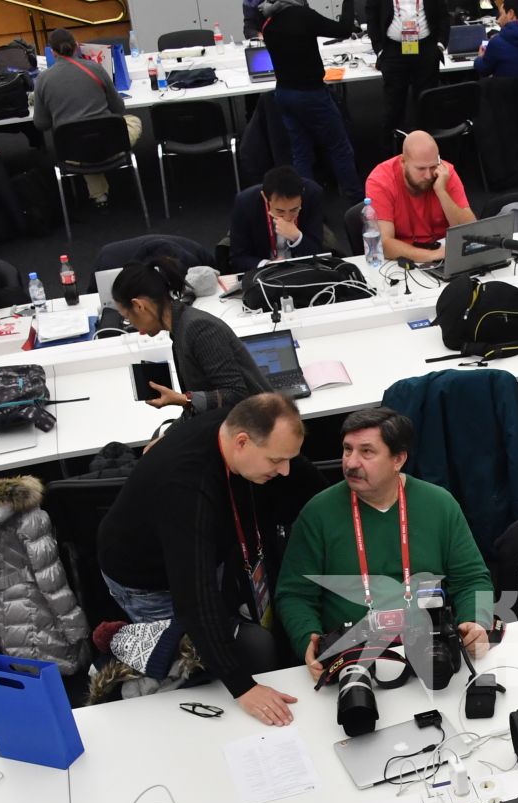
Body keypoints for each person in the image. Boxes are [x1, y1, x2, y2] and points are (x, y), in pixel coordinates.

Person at [96, 393, 305, 725]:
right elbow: (193, 602)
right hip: (149, 581)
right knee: (184, 667)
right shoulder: (187, 490)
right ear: (241, 442)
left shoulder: (235, 423)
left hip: (198, 549)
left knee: (218, 632)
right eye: (276, 460)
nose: (285, 470)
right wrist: (243, 688)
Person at [276, 406, 494, 679]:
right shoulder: (317, 513)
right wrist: (307, 639)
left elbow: (473, 578)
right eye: (347, 449)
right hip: (351, 659)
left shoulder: (439, 504)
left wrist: (476, 622)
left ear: (398, 459)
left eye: (366, 452)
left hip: (428, 650)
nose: (351, 462)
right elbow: (294, 594)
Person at [110, 257, 271, 413]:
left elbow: (236, 395)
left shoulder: (199, 329)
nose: (133, 326)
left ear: (139, 306)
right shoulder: (180, 328)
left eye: (127, 317)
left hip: (255, 428)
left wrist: (183, 399)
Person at [262, 0, 368, 204]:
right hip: (311, 95)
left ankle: (306, 205)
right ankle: (357, 202)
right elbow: (345, 29)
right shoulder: (304, 17)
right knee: (339, 147)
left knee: (301, 152)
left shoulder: (269, 22)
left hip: (284, 94)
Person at [33, 28, 140, 208]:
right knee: (132, 120)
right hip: (110, 145)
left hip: (72, 151)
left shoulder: (43, 80)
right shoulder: (95, 68)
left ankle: (100, 196)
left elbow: (41, 123)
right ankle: (100, 191)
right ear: (76, 47)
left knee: (81, 138)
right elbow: (119, 108)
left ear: (52, 52)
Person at [365, 131, 474, 265]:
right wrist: (434, 255)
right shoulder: (381, 181)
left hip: (444, 252)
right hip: (404, 260)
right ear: (403, 162)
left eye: (433, 166)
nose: (428, 175)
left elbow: (470, 231)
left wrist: (441, 191)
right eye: (421, 169)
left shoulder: (445, 173)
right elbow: (384, 244)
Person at [366, 0, 449, 146]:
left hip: (425, 49)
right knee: (393, 107)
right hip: (393, 50)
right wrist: (379, 50)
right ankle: (391, 155)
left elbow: (443, 14)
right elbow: (371, 16)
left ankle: (426, 152)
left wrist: (440, 46)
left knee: (426, 103)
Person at [228, 165, 327, 274]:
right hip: (265, 274)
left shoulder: (313, 194)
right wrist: (267, 266)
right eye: (280, 211)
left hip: (304, 269)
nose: (287, 218)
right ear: (265, 197)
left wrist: (297, 237)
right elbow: (238, 257)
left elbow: (317, 251)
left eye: (294, 210)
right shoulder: (245, 203)